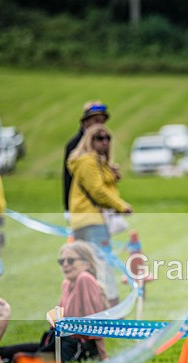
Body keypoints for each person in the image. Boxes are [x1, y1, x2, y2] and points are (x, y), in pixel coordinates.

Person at [0, 241, 109, 363]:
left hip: (74, 347)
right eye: (62, 262)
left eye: (70, 261)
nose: (65, 265)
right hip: (57, 340)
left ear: (86, 264)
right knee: (3, 351)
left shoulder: (85, 279)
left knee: (21, 359)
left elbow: (93, 320)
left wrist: (102, 355)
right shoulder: (66, 283)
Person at [67, 123, 132, 307]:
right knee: (104, 267)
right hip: (91, 220)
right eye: (99, 138)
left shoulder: (95, 163)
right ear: (89, 140)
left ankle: (92, 308)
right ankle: (110, 310)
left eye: (107, 138)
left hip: (86, 220)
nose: (104, 142)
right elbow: (97, 191)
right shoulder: (88, 162)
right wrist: (121, 206)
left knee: (89, 269)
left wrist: (111, 174)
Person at [63, 101, 109, 214]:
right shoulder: (75, 145)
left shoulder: (102, 141)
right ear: (85, 122)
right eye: (96, 120)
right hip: (83, 207)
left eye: (102, 121)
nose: (100, 124)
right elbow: (70, 178)